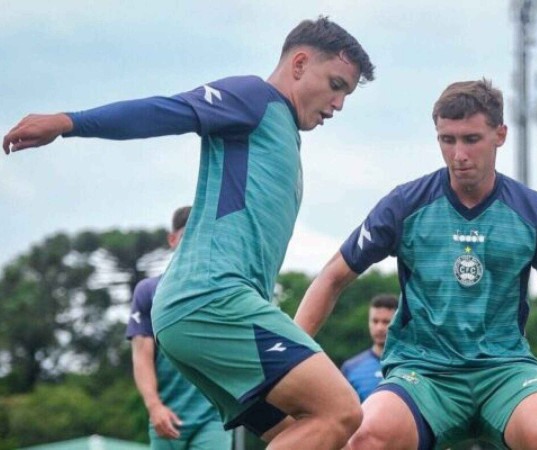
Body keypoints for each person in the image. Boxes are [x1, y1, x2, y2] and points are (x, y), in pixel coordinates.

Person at [4, 17, 375, 450]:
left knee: (303, 428)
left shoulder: (283, 133)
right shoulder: (254, 98)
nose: (339, 103)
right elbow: (166, 111)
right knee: (341, 410)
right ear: (298, 64)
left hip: (204, 312)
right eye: (335, 85)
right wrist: (69, 122)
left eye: (346, 93)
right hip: (211, 299)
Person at [295, 79, 537, 450]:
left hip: (506, 372)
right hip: (424, 374)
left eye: (471, 139)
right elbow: (331, 278)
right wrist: (284, 369)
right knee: (366, 439)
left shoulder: (534, 212)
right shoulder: (404, 205)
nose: (459, 154)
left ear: (500, 135)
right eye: (448, 140)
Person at [126, 206, 233, 449]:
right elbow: (141, 357)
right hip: (166, 416)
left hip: (213, 416)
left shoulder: (223, 289)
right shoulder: (149, 291)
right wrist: (154, 406)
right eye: (188, 235)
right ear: (172, 239)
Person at [341, 293, 398, 402]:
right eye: (375, 321)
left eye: (386, 322)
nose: (380, 328)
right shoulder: (351, 368)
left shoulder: (411, 364)